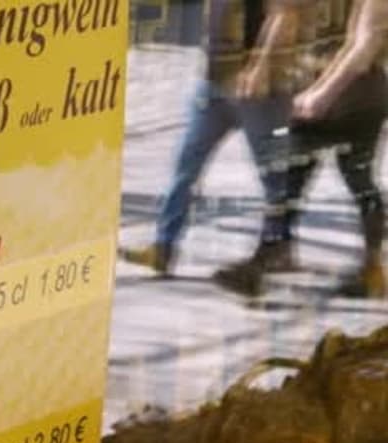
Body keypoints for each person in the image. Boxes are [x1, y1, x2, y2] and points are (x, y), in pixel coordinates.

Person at [122, 0, 304, 277]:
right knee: (186, 166)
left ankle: (278, 248)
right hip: (213, 83)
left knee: (274, 176)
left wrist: (260, 68)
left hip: (256, 90)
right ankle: (163, 247)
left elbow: (284, 13)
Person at [223, 0, 388, 297]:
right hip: (332, 93)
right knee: (303, 175)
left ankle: (370, 269)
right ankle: (269, 258)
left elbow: (364, 46)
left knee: (344, 178)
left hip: (356, 97)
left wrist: (323, 94)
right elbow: (285, 13)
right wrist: (264, 67)